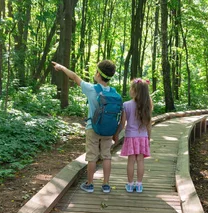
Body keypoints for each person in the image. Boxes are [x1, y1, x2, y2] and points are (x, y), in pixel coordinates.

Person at [52, 60, 117, 193]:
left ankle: (90, 184)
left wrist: (62, 67)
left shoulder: (91, 89)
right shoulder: (114, 93)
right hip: (108, 129)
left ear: (98, 74)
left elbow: (75, 77)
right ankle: (106, 185)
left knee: (92, 156)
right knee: (106, 155)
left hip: (92, 127)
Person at [113, 78, 152, 193]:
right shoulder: (147, 105)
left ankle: (130, 185)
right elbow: (149, 125)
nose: (130, 90)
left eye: (131, 88)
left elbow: (122, 123)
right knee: (140, 160)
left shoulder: (126, 105)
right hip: (143, 137)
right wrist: (148, 138)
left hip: (130, 136)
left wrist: (116, 134)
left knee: (131, 160)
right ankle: (139, 185)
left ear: (135, 91)